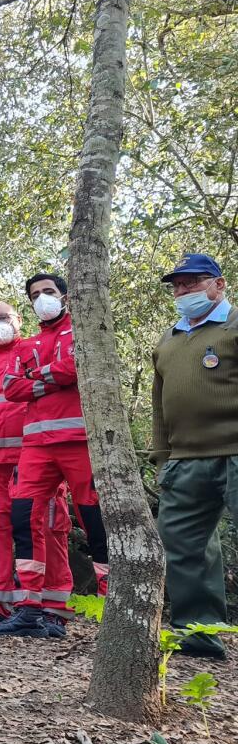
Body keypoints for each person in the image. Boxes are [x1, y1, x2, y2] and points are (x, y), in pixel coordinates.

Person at [0, 273, 110, 638]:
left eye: (49, 292)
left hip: (78, 441)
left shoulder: (81, 331)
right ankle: (32, 608)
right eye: (36, 295)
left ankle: (111, 608)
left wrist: (37, 380)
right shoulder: (27, 345)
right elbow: (12, 388)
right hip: (37, 446)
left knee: (94, 521)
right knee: (24, 519)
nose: (43, 298)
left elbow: (76, 368)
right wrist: (52, 377)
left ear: (65, 296)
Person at [0, 301, 72, 633]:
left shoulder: (38, 349)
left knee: (47, 528)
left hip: (37, 456)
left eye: (3, 318)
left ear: (18, 319)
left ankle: (52, 609)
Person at [152, 254, 238, 660]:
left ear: (218, 285)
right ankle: (198, 635)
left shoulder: (234, 327)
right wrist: (162, 456)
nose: (184, 291)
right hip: (185, 459)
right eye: (178, 285)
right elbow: (158, 404)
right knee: (184, 546)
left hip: (235, 453)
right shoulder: (169, 340)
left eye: (193, 282)